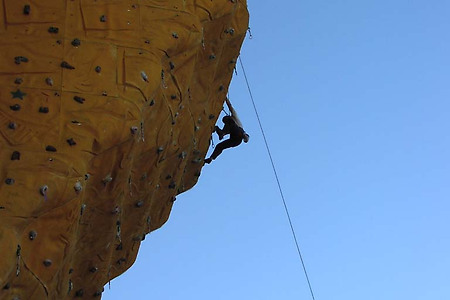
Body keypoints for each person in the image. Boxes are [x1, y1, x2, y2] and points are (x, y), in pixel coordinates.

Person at [205, 98, 249, 164]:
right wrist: (218, 130)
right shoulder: (228, 126)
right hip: (235, 141)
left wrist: (225, 98)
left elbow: (230, 106)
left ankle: (245, 136)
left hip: (239, 133)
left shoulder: (233, 118)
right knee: (219, 146)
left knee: (230, 122)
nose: (225, 123)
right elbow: (223, 133)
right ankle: (211, 158)